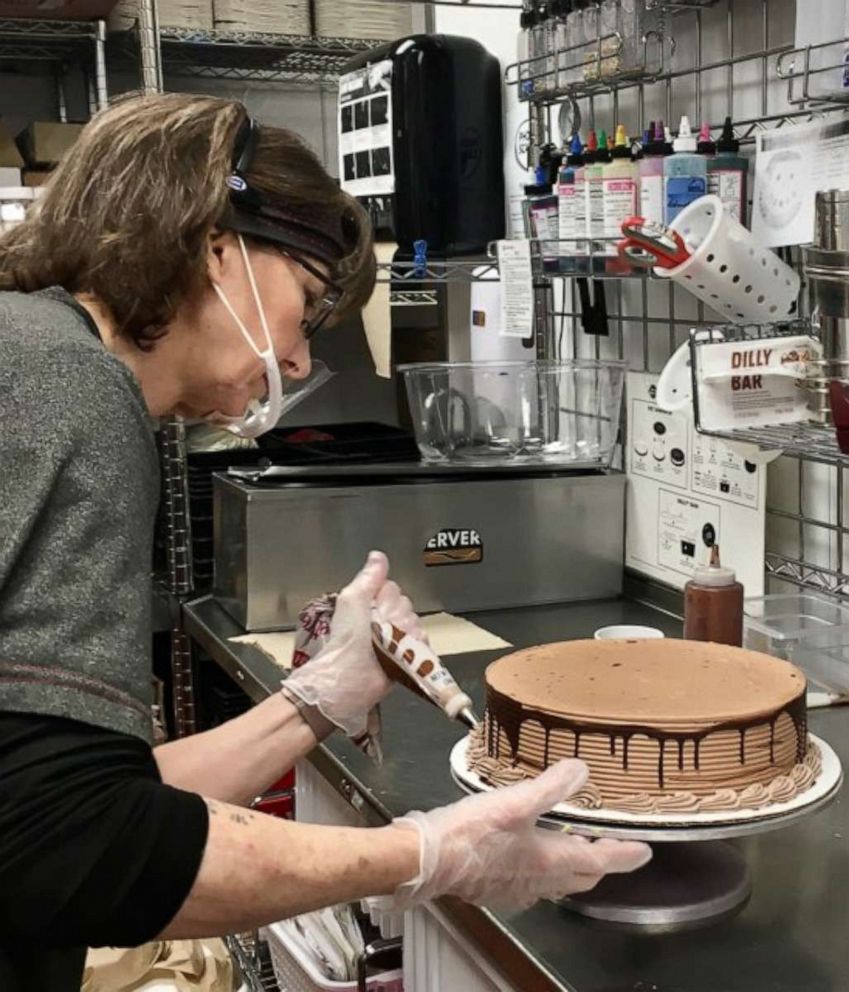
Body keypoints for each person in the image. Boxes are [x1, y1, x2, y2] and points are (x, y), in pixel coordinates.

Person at [0, 92, 651, 991]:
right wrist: (425, 854)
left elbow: (60, 795)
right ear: (213, 245)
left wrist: (314, 698)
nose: (301, 360)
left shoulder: (23, 352)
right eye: (305, 303)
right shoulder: (75, 389)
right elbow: (71, 849)